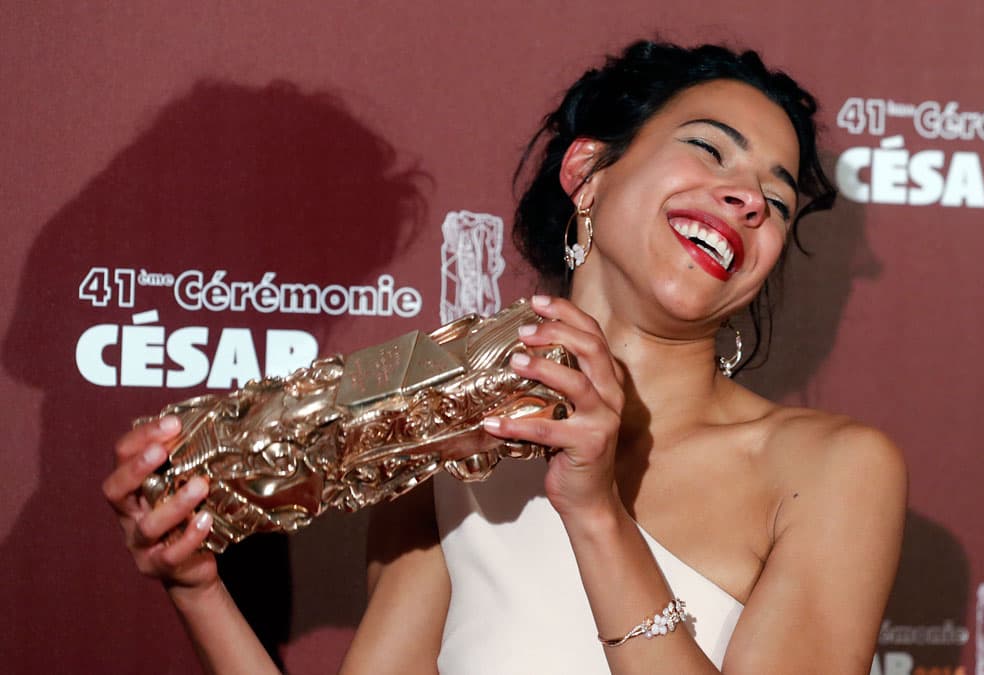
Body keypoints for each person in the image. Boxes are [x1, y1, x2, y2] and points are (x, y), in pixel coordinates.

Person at [103, 40, 907, 674]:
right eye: (709, 150)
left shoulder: (832, 468)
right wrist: (196, 588)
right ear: (586, 173)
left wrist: (595, 513)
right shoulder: (454, 446)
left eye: (776, 199)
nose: (748, 199)